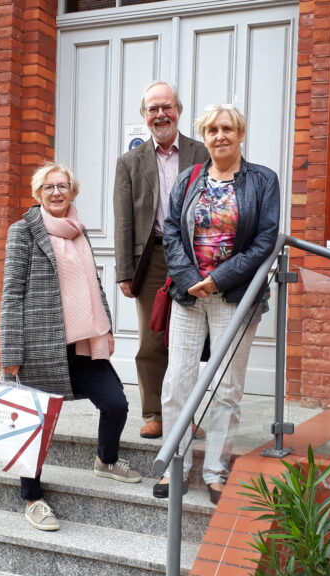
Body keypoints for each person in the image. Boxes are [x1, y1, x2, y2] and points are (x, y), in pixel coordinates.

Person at [0, 162, 142, 532]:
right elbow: (12, 294)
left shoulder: (80, 232)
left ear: (73, 191)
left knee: (116, 404)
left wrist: (106, 326)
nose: (57, 192)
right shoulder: (23, 232)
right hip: (41, 344)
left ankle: (105, 460)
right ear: (38, 193)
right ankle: (32, 498)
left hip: (84, 340)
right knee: (35, 424)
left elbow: (93, 286)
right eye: (49, 187)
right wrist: (11, 354)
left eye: (63, 186)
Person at [153, 104, 280, 505]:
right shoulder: (190, 178)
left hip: (235, 295)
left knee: (226, 388)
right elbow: (171, 231)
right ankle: (176, 466)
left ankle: (215, 471)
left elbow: (266, 239)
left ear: (240, 134)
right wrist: (192, 281)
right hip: (189, 298)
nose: (220, 135)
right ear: (204, 137)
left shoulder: (263, 180)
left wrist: (218, 279)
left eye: (227, 128)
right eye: (212, 130)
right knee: (178, 383)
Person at [113, 81, 210, 439]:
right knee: (152, 338)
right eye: (152, 109)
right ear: (144, 115)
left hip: (196, 257)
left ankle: (185, 414)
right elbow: (123, 219)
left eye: (166, 107)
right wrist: (125, 271)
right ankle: (154, 412)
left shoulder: (202, 153)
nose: (160, 114)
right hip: (150, 257)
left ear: (178, 110)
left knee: (190, 339)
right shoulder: (130, 162)